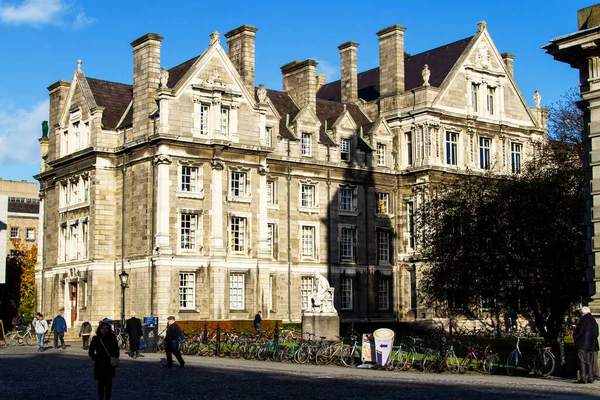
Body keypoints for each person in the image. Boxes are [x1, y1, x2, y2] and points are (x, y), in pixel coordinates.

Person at [89, 321, 120, 400]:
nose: (104, 330)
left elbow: (116, 350)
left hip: (109, 363)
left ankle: (107, 398)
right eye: (102, 328)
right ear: (99, 329)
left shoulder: (112, 338)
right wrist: (95, 358)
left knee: (109, 383)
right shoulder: (96, 339)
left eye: (106, 328)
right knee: (101, 383)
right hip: (100, 363)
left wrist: (115, 358)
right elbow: (91, 351)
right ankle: (101, 397)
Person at [574, 306, 599, 384]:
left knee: (582, 360)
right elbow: (596, 333)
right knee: (589, 361)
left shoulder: (583, 319)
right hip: (591, 344)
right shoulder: (593, 320)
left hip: (582, 343)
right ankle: (591, 377)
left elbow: (579, 331)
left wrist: (575, 338)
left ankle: (583, 377)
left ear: (583, 313)